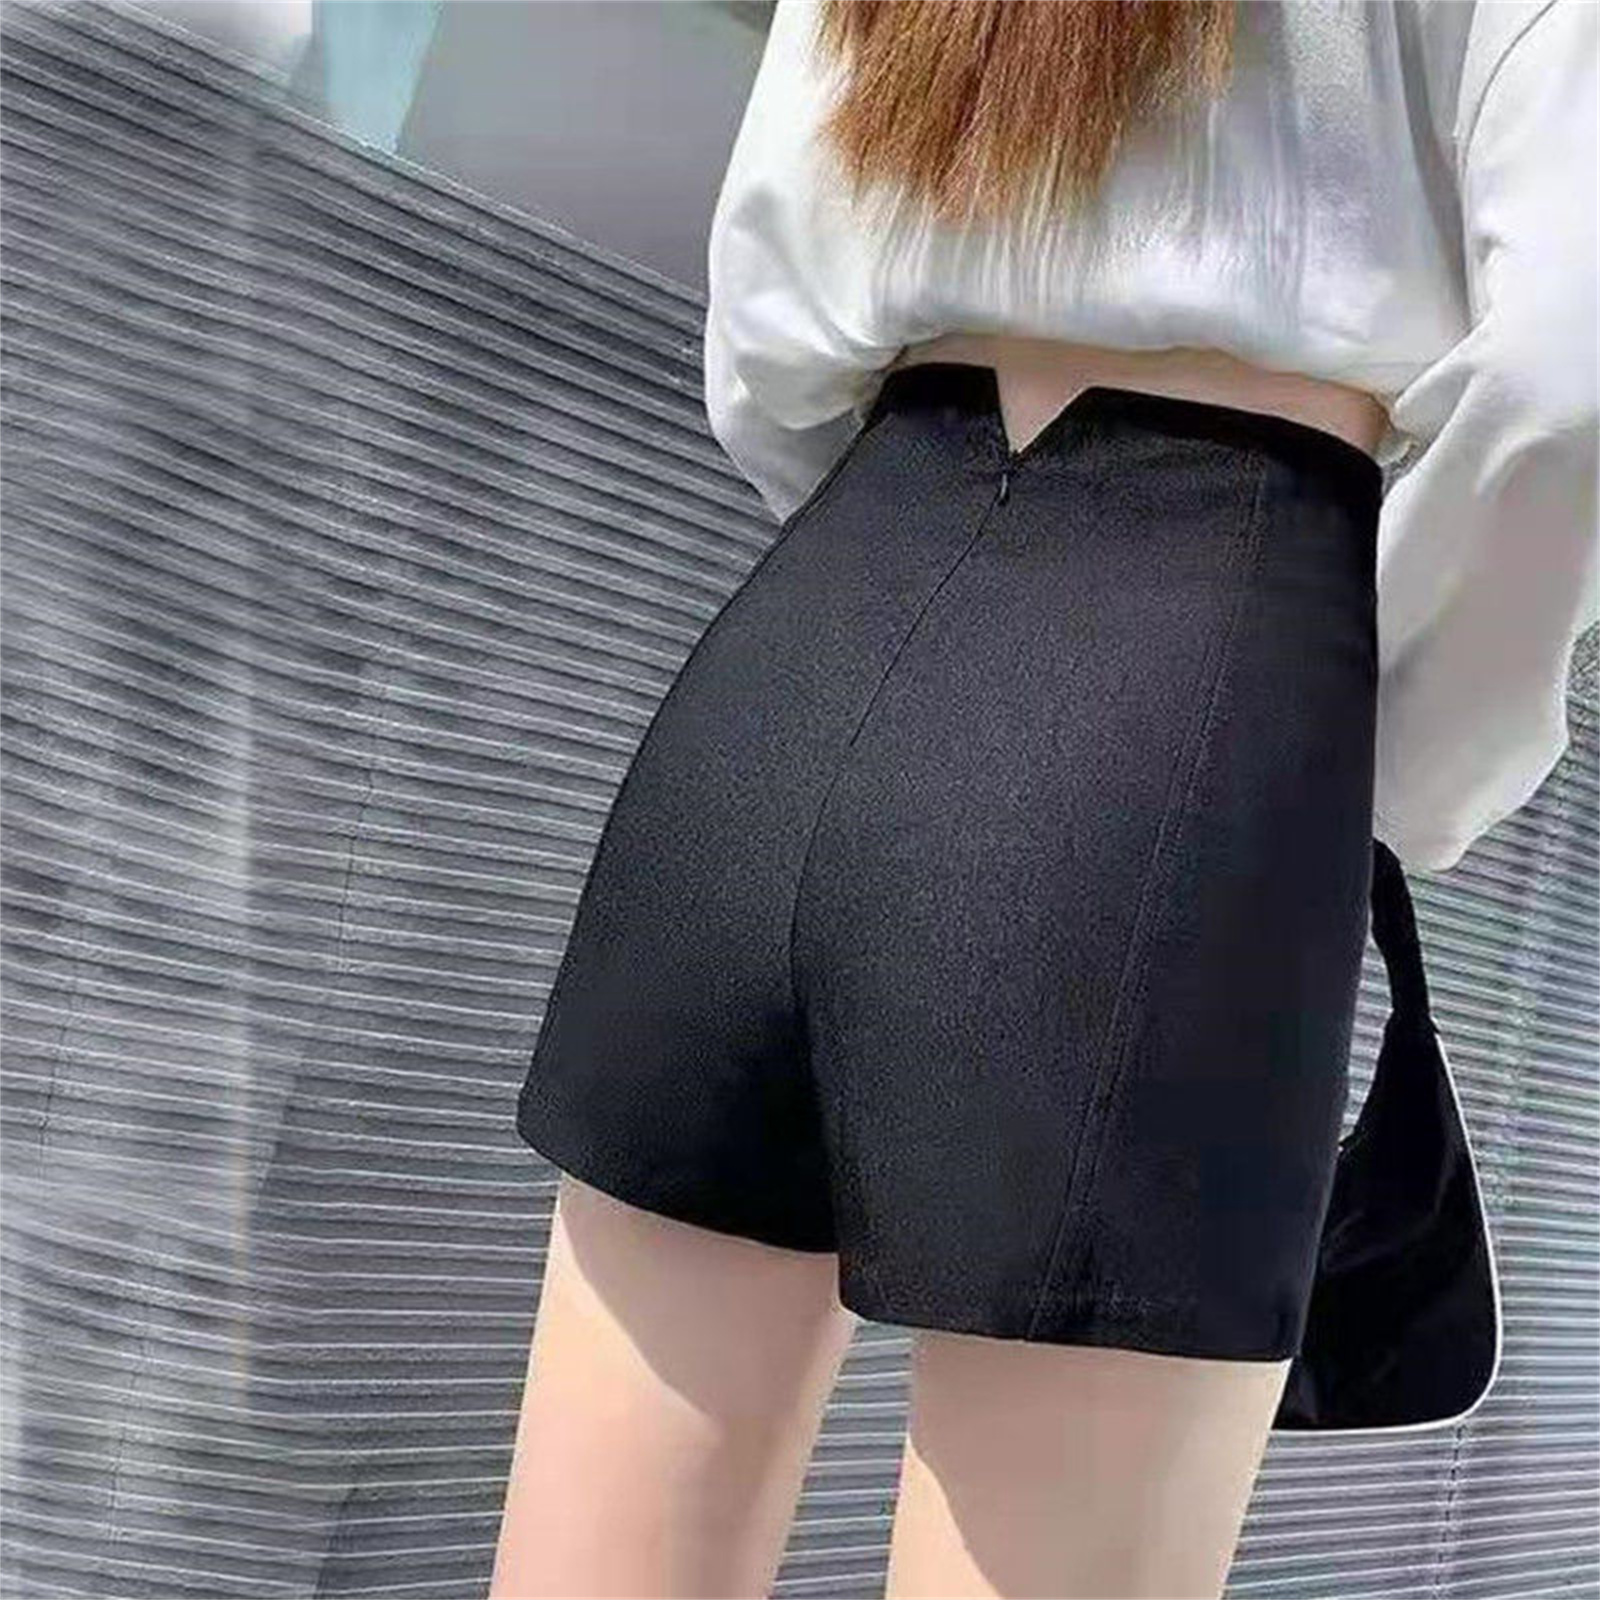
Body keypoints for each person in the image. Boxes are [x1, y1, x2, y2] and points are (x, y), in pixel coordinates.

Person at [496, 2, 1597, 1596]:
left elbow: (770, 309)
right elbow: (1568, 390)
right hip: (1194, 653)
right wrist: (1366, 756)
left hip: (812, 637)